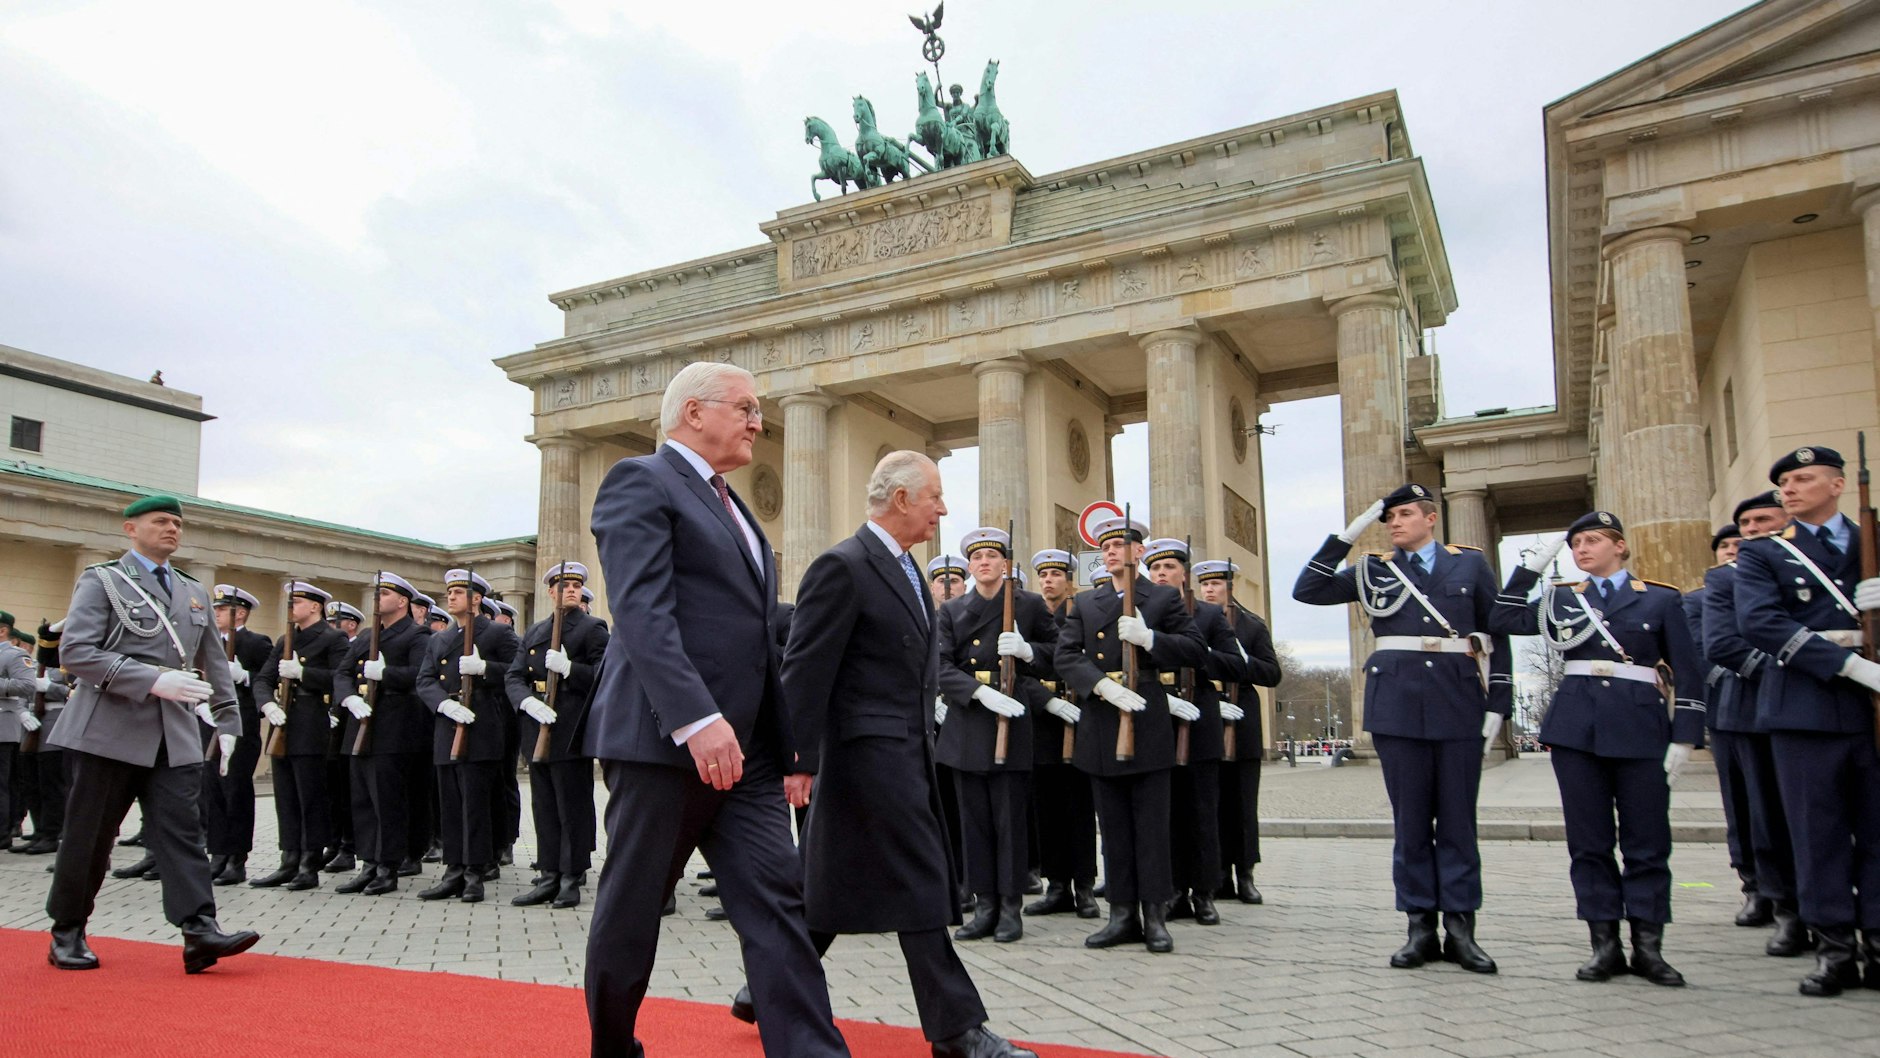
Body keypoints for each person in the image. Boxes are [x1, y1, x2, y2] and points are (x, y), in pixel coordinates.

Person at [581, 362, 849, 1058]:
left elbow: (759, 641)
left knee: (778, 904)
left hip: (747, 757)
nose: (759, 420)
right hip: (665, 745)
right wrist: (696, 719)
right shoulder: (641, 480)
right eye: (746, 407)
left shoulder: (739, 511)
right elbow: (641, 612)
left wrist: (789, 748)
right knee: (634, 907)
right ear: (694, 412)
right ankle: (612, 1046)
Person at [784, 450, 1034, 1058]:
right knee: (921, 882)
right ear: (901, 499)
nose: (942, 509)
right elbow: (805, 669)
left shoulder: (905, 568)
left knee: (830, 888)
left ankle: (766, 989)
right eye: (935, 497)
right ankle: (956, 1030)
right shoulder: (844, 566)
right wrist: (797, 761)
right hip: (865, 759)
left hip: (905, 751)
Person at [1293, 483, 1510, 974]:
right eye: (1389, 517)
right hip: (1397, 706)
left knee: (1458, 822)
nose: (1394, 522)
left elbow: (1496, 630)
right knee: (1410, 823)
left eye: (1405, 514)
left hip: (1458, 702)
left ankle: (1461, 929)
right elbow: (1307, 590)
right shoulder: (1373, 569)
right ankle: (1419, 927)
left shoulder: (1470, 565)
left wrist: (1499, 701)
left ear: (1431, 518)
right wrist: (1345, 537)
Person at [43, 494, 258, 973]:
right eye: (161, 521)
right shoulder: (103, 580)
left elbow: (213, 658)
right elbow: (76, 652)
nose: (172, 529)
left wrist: (227, 721)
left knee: (183, 834)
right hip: (109, 730)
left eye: (177, 523)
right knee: (90, 836)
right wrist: (151, 680)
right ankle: (68, 929)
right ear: (131, 529)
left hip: (173, 733)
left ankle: (199, 930)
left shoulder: (192, 590)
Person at [1493, 512, 1704, 987]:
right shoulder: (1562, 598)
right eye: (1575, 544)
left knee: (1647, 843)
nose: (1581, 549)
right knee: (1589, 843)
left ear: (1620, 546)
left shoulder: (1661, 598)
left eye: (1592, 540)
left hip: (1641, 727)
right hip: (1577, 729)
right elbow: (1502, 618)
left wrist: (1686, 735)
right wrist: (1528, 570)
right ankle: (1604, 944)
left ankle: (1648, 948)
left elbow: (1689, 670)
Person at [1734, 445, 1880, 997]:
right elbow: (1760, 622)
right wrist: (1847, 665)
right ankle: (1835, 947)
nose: (1789, 489)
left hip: (1873, 707)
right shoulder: (1764, 552)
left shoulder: (1872, 539)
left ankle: (1878, 942)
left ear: (1837, 484)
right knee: (1817, 834)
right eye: (1785, 483)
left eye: (1802, 479)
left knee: (1877, 832)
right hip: (1804, 703)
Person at [1055, 514, 1209, 953]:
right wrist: (1100, 686)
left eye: (1119, 545)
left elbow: (1195, 649)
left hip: (1146, 717)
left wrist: (1150, 638)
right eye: (1105, 547)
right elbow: (1066, 656)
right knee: (1114, 827)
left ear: (1138, 551)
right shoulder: (1087, 602)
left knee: (1151, 826)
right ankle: (1121, 914)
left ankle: (1155, 916)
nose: (1110, 552)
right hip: (1103, 718)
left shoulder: (1162, 597)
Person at [933, 527, 1058, 944]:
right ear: (970, 567)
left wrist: (1028, 651)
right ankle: (984, 904)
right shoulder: (952, 611)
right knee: (975, 825)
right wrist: (977, 692)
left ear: (1005, 563)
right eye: (977, 557)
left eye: (992, 556)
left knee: (1009, 823)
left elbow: (1059, 655)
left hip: (1012, 719)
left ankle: (1009, 907)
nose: (984, 563)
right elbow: (938, 665)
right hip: (970, 719)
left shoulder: (1029, 605)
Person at [1702, 490, 1809, 955]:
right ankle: (1780, 903)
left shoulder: (1811, 566)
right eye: (1744, 525)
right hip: (1749, 707)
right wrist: (1804, 667)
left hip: (1823, 705)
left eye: (1762, 521)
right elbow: (1718, 644)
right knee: (1763, 816)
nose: (1750, 532)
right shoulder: (1723, 580)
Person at [1141, 538, 1246, 927]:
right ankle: (1171, 890)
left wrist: (1197, 654)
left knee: (1202, 811)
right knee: (1163, 813)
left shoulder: (1209, 615)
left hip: (1199, 718)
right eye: (1155, 568)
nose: (1161, 574)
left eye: (1169, 567)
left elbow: (1235, 665)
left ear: (1184, 574)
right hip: (1156, 717)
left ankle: (1204, 892)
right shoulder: (1139, 613)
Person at [506, 562, 608, 909]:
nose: (571, 590)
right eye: (564, 586)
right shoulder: (536, 631)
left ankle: (570, 876)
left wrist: (570, 669)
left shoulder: (593, 628)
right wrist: (526, 703)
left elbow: (605, 674)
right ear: (551, 592)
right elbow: (514, 676)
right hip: (537, 726)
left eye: (576, 586)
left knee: (571, 806)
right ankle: (548, 873)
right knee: (544, 805)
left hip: (570, 728)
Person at [415, 568, 517, 903]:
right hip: (448, 725)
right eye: (450, 592)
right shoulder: (439, 639)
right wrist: (443, 704)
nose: (451, 597)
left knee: (475, 806)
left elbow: (517, 673)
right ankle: (453, 871)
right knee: (450, 806)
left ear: (476, 599)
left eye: (459, 592)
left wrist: (485, 669)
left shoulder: (497, 633)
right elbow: (425, 680)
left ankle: (475, 873)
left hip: (481, 726)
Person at [331, 572, 431, 896]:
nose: (378, 599)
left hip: (393, 729)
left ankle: (388, 867)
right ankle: (368, 864)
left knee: (387, 802)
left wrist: (385, 674)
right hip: (360, 726)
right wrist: (348, 698)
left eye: (384, 594)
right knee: (361, 801)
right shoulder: (366, 636)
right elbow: (343, 672)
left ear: (402, 601)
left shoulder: (417, 635)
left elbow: (420, 675)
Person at [250, 581, 349, 891]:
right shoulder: (285, 639)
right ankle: (288, 859)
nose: (291, 607)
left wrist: (303, 674)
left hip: (311, 723)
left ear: (315, 606)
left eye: (297, 602)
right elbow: (263, 679)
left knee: (311, 797)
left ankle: (309, 863)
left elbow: (340, 678)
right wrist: (266, 704)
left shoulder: (333, 638)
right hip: (283, 723)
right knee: (286, 798)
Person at [1194, 559, 1282, 904]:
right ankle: (1217, 875)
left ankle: (1245, 873)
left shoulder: (1251, 625)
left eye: (1216, 584)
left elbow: (1271, 674)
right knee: (1211, 803)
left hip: (1242, 717)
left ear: (1230, 587)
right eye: (1205, 584)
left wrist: (1244, 662)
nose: (1209, 590)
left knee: (1243, 804)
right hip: (1206, 713)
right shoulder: (1193, 622)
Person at [1021, 549, 1099, 919]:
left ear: (1069, 581)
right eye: (1043, 575)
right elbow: (1018, 673)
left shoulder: (1083, 612)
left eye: (1055, 574)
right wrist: (1045, 700)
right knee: (1046, 809)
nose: (1048, 581)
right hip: (1042, 721)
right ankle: (1056, 886)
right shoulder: (1028, 615)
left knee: (1079, 808)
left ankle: (1084, 886)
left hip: (1080, 718)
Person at [203, 586, 270, 885]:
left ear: (240, 613)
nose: (215, 613)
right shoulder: (208, 642)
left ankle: (237, 859)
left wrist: (245, 677)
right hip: (209, 721)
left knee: (235, 790)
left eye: (221, 609)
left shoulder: (256, 643)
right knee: (212, 790)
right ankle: (217, 853)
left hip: (241, 723)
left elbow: (269, 682)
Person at [14, 622, 71, 856]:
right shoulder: (35, 666)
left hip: (54, 727)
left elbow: (75, 692)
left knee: (50, 785)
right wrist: (22, 711)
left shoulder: (70, 667)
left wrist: (50, 687)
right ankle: (39, 831)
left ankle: (51, 834)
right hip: (31, 728)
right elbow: (21, 691)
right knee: (31, 785)